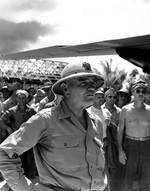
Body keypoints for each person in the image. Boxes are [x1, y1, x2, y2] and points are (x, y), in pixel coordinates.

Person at [0, 62, 106, 191]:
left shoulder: (96, 121)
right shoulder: (46, 120)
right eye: (83, 82)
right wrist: (26, 189)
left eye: (93, 83)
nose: (91, 88)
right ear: (65, 88)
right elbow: (5, 152)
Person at [118, 80, 150, 191]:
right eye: (138, 91)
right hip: (130, 145)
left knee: (146, 178)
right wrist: (120, 150)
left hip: (146, 145)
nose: (141, 93)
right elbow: (120, 129)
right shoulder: (125, 110)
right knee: (128, 178)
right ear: (133, 93)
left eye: (143, 91)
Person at [101, 88, 124, 191]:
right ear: (105, 98)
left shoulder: (120, 111)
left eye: (114, 97)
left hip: (116, 145)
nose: (112, 99)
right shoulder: (99, 110)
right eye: (109, 97)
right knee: (103, 170)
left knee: (115, 170)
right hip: (103, 144)